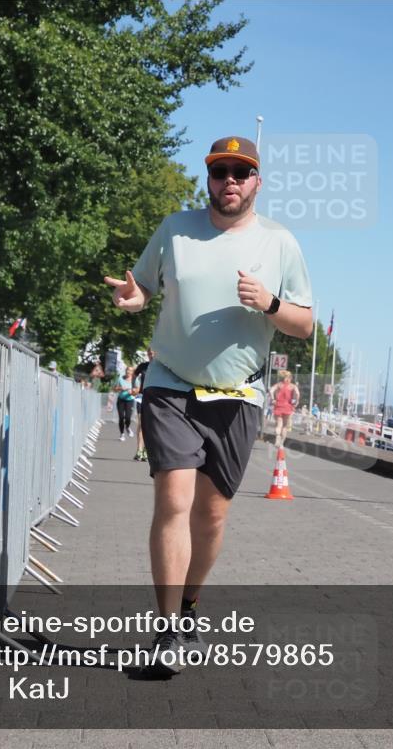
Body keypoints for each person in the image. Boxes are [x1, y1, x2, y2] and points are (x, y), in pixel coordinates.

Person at [103, 135, 313, 673]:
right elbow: (142, 287)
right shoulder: (175, 228)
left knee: (211, 515)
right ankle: (168, 630)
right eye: (220, 172)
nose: (230, 182)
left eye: (241, 173)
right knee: (173, 501)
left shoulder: (280, 242)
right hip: (170, 383)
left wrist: (268, 302)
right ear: (209, 179)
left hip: (238, 394)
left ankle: (191, 605)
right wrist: (132, 298)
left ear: (257, 183)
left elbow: (305, 324)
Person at [131, 349, 155, 461]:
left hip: (154, 398)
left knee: (150, 426)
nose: (151, 355)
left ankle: (146, 450)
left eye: (153, 353)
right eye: (149, 353)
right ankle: (139, 450)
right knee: (141, 423)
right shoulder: (143, 366)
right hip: (142, 396)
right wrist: (133, 386)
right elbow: (134, 375)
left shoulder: (161, 367)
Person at [269, 370, 299, 447]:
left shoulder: (279, 385)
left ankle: (277, 438)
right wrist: (296, 401)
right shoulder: (293, 386)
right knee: (284, 426)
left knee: (278, 425)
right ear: (290, 378)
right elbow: (297, 394)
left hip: (278, 405)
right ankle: (282, 443)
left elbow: (271, 390)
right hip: (288, 407)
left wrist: (273, 399)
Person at [114, 366, 135, 440]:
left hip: (130, 400)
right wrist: (120, 388)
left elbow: (138, 390)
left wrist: (132, 392)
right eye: (127, 370)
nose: (128, 372)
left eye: (130, 371)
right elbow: (114, 389)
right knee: (121, 417)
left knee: (128, 417)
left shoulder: (134, 380)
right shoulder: (120, 379)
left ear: (132, 372)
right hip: (121, 400)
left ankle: (128, 427)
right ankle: (122, 434)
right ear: (125, 371)